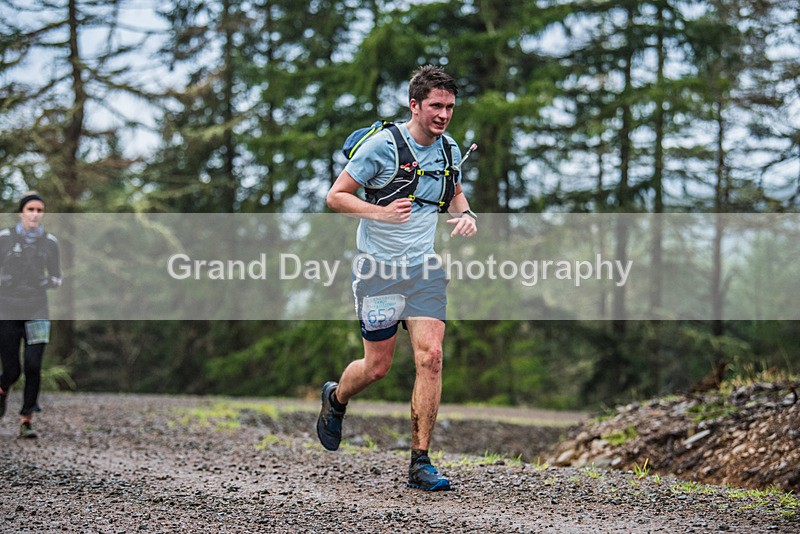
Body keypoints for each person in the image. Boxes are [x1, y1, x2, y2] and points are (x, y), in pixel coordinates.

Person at [317, 66, 477, 491]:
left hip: (423, 270)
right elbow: (336, 196)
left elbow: (454, 192)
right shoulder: (382, 147)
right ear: (415, 105)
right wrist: (380, 213)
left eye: (450, 107)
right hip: (378, 272)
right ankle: (336, 397)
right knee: (377, 367)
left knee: (431, 356)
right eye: (436, 106)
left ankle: (420, 463)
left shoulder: (449, 149)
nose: (444, 115)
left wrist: (465, 215)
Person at [0, 191, 62, 439]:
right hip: (7, 309)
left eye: (39, 210)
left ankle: (27, 419)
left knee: (34, 365)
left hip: (37, 309)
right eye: (30, 210)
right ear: (21, 212)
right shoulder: (5, 238)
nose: (35, 214)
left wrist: (48, 281)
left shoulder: (50, 242)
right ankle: (2, 389)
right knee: (12, 370)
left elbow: (58, 277)